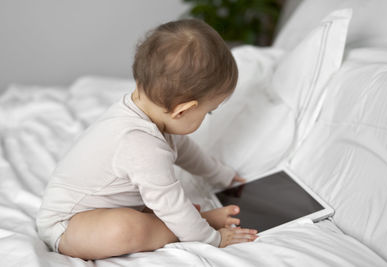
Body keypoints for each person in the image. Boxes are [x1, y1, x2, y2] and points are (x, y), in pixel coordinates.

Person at [36, 18, 258, 260]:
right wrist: (210, 238)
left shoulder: (146, 111)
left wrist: (219, 174)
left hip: (100, 212)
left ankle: (186, 223)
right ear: (182, 110)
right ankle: (197, 223)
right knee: (126, 229)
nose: (207, 117)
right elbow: (170, 204)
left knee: (149, 214)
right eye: (209, 111)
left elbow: (184, 150)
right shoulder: (139, 143)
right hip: (68, 226)